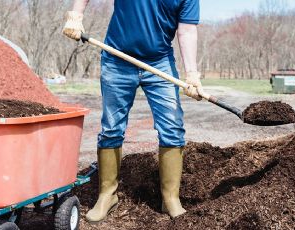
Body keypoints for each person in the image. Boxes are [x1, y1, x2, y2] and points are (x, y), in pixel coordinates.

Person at [63, 0, 203, 222]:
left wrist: (192, 73)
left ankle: (170, 199)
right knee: (111, 128)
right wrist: (76, 15)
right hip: (117, 59)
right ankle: (107, 196)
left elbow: (186, 32)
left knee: (172, 128)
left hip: (160, 62)